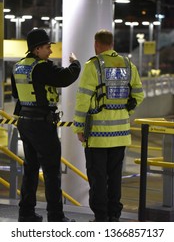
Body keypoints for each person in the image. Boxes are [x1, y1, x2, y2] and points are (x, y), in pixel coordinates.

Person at [73, 29, 144, 222]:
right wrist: (125, 111)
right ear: (112, 44)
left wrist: (79, 128)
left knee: (97, 179)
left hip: (97, 136)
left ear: (96, 44)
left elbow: (83, 100)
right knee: (114, 179)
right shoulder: (128, 64)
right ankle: (114, 215)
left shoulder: (93, 65)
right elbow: (139, 94)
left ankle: (101, 218)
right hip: (120, 134)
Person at [11, 28, 81, 222]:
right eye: (48, 47)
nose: (50, 51)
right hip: (42, 124)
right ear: (37, 49)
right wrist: (75, 63)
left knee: (30, 169)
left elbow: (17, 95)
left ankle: (26, 213)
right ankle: (56, 216)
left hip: (25, 122)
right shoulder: (41, 67)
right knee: (51, 172)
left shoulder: (18, 67)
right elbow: (66, 77)